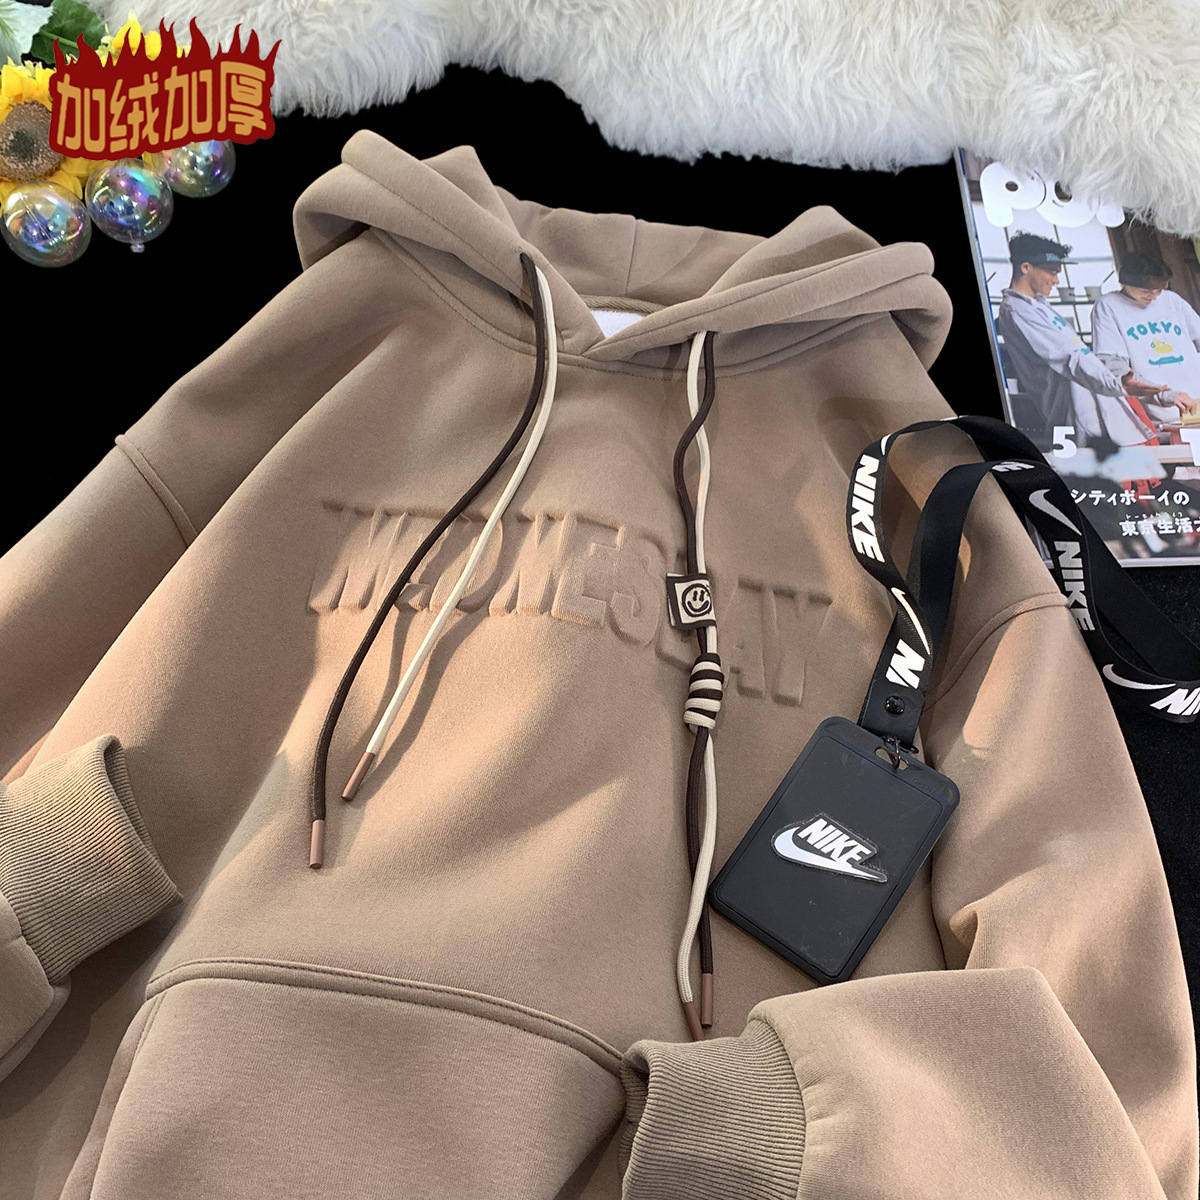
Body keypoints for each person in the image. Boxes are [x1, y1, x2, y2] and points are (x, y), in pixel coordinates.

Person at [0, 137, 1195, 1200]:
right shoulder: (363, 318)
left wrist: (790, 1133)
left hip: (667, 1138)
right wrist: (37, 887)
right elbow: (88, 579)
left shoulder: (877, 422)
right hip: (180, 1079)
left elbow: (1083, 957)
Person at [995, 232, 1168, 446]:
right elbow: (1070, 358)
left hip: (1100, 406)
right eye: (1051, 272)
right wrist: (1115, 383)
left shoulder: (1038, 306)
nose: (1056, 280)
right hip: (1077, 417)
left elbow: (1079, 354)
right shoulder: (1018, 311)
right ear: (1025, 267)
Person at [1092, 251, 1200, 424]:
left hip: (1195, 404)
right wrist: (1165, 395)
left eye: (1159, 290)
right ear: (1125, 281)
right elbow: (1114, 367)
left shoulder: (1172, 300)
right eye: (1147, 290)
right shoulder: (1109, 306)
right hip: (1159, 414)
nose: (1154, 296)